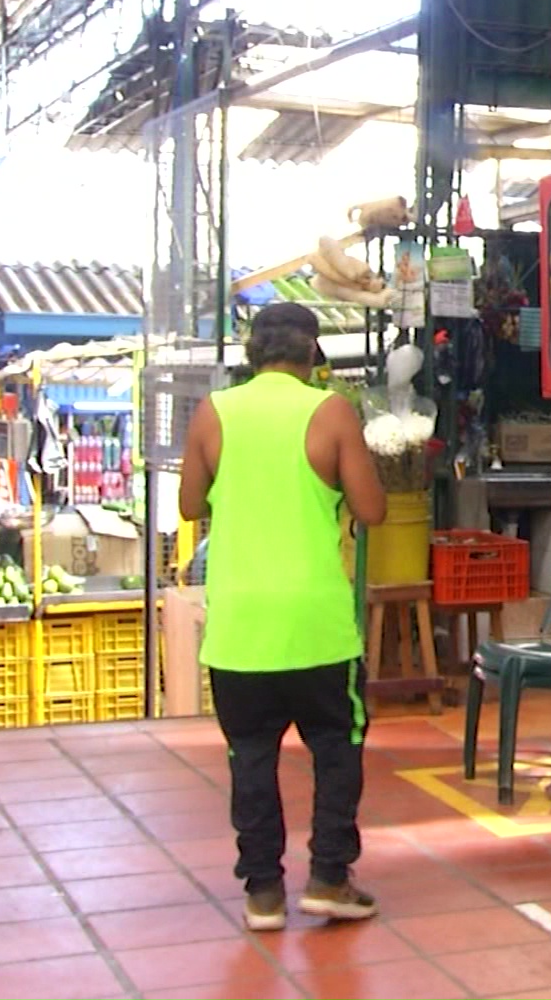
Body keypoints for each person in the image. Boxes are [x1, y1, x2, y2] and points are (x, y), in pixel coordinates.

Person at [179, 303, 386, 931]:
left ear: (252, 350)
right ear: (311, 352)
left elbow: (190, 504)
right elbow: (373, 509)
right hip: (315, 622)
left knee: (250, 755)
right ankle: (328, 876)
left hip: (240, 626)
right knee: (335, 746)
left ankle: (262, 891)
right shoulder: (330, 413)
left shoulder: (214, 413)